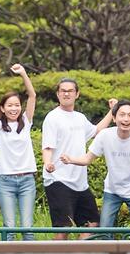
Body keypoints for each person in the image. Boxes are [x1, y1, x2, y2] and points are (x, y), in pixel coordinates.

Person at [67, 99, 130, 238]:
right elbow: (87, 159)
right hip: (112, 190)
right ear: (114, 118)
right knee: (105, 228)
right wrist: (70, 159)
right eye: (122, 115)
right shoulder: (105, 135)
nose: (126, 119)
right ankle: (108, 251)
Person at [41, 78, 103, 241]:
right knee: (63, 228)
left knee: (92, 224)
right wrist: (47, 163)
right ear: (58, 94)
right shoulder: (52, 117)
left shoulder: (80, 117)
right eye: (63, 90)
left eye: (70, 91)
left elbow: (96, 131)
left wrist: (113, 111)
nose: (66, 94)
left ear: (77, 94)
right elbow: (47, 147)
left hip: (80, 182)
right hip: (58, 180)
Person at [0, 61, 40, 240]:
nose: (14, 108)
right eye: (9, 105)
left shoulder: (26, 122)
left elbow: (32, 96)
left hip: (27, 180)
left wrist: (23, 73)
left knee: (28, 227)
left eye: (17, 105)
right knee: (9, 227)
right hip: (6, 181)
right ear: (2, 108)